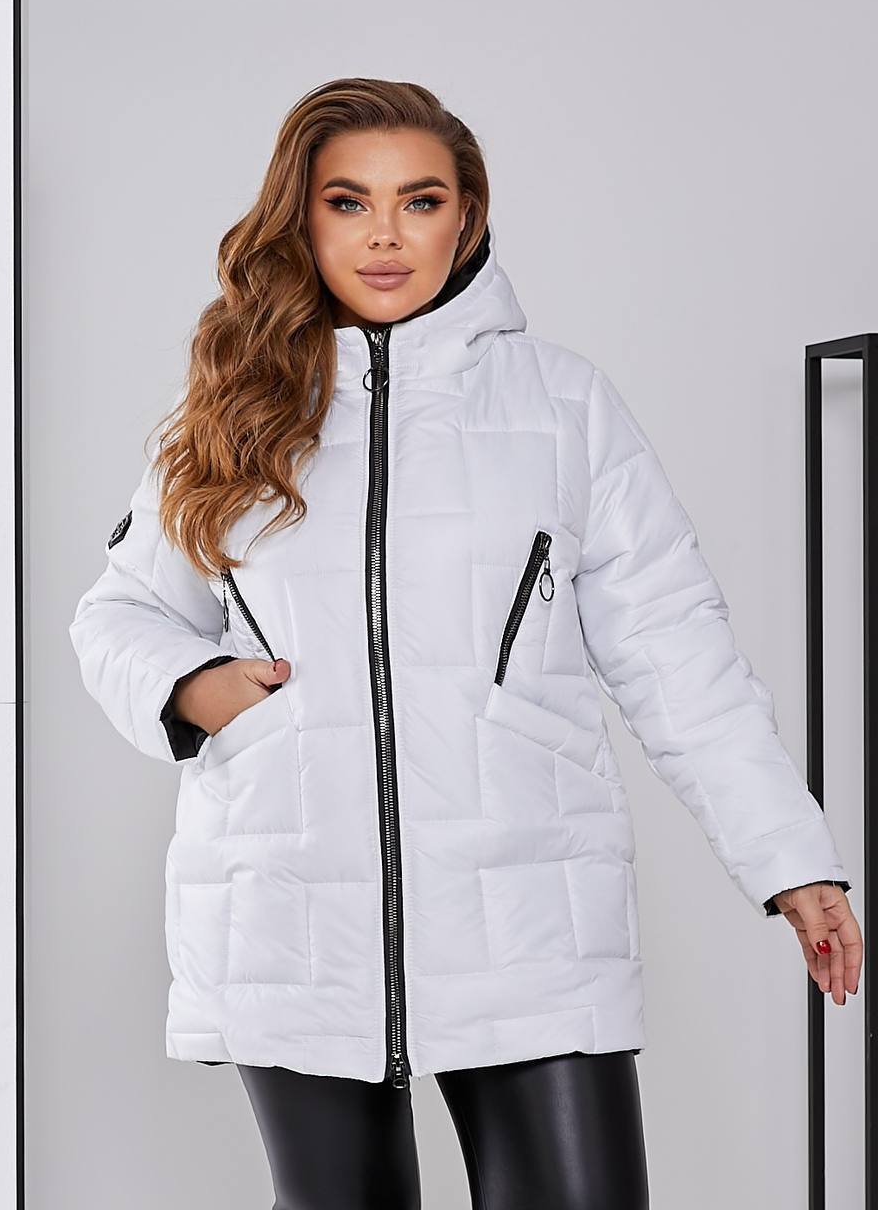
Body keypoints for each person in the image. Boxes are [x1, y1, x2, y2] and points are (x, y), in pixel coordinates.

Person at [69, 77, 862, 1209]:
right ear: (302, 217)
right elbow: (117, 615)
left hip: (532, 917)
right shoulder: (234, 412)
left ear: (467, 215)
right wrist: (194, 688)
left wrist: (791, 858)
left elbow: (678, 652)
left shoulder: (563, 408)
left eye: (421, 200)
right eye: (349, 201)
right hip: (294, 914)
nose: (386, 235)